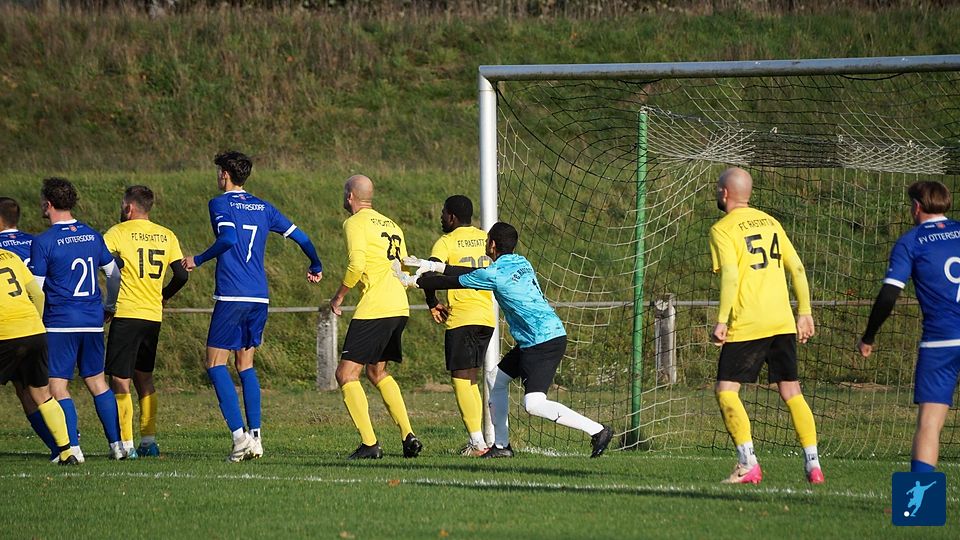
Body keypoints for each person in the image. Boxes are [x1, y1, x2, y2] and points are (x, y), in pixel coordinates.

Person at [400, 221, 613, 458]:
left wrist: (413, 281)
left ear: (492, 244)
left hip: (542, 342)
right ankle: (501, 446)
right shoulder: (521, 262)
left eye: (487, 240)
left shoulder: (494, 275)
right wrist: (432, 265)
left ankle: (598, 430)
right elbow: (468, 272)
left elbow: (452, 281)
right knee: (495, 379)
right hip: (542, 335)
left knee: (533, 404)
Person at [182, 150, 323, 462]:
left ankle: (238, 438)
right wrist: (315, 264)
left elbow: (228, 239)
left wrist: (198, 259)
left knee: (215, 363)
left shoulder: (219, 203)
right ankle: (256, 438)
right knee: (245, 365)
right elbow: (302, 237)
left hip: (232, 294)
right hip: (259, 296)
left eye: (219, 171)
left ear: (225, 174)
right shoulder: (264, 207)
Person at [708, 167, 821, 484]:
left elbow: (731, 276)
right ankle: (813, 464)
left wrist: (722, 320)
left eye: (717, 189)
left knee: (726, 391)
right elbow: (797, 268)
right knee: (791, 391)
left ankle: (748, 463)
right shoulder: (771, 222)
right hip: (782, 320)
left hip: (749, 320)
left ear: (725, 193)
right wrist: (805, 312)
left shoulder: (722, 228)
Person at [857, 180, 960, 475]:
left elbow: (889, 294)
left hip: (941, 342)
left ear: (916, 207)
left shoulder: (911, 241)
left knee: (929, 423)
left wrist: (868, 336)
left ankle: (919, 501)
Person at [30, 177, 125, 461]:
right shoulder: (92, 235)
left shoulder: (43, 241)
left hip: (60, 322)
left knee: (57, 386)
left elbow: (36, 289)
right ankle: (117, 446)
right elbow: (114, 274)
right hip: (92, 319)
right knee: (97, 382)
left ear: (48, 204)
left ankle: (72, 448)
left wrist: (35, 321)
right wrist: (109, 305)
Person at [330, 174, 421, 460]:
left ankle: (370, 444)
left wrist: (339, 296)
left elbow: (356, 263)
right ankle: (408, 436)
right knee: (377, 372)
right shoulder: (392, 225)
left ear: (350, 196)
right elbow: (404, 266)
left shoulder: (355, 222)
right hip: (399, 306)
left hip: (376, 308)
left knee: (346, 374)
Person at [103, 185, 189, 458]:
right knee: (145, 378)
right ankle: (149, 441)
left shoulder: (118, 232)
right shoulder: (166, 235)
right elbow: (182, 275)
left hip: (127, 313)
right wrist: (164, 296)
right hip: (152, 316)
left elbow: (100, 260)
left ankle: (126, 444)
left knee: (120, 379)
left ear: (129, 207)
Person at [420, 195, 495, 456]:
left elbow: (429, 272)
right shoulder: (485, 238)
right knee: (471, 380)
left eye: (443, 212)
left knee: (461, 380)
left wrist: (432, 301)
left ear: (451, 216)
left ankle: (477, 444)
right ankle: (481, 441)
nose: (441, 217)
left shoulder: (447, 241)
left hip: (462, 317)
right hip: (486, 317)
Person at [0, 248, 78, 465]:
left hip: (6, 334)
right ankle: (66, 452)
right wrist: (37, 322)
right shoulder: (11, 256)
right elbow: (38, 294)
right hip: (34, 330)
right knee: (42, 394)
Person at [1, 197, 62, 460]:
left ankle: (59, 443)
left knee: (26, 390)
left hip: (9, 326)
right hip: (39, 321)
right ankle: (65, 442)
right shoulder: (35, 242)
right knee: (44, 388)